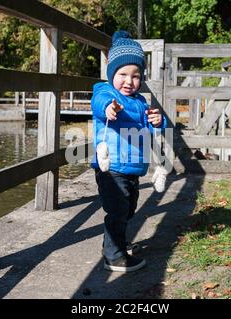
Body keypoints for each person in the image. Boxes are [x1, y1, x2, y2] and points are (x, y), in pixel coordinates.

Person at [91, 30, 167, 272]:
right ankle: (113, 256)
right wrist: (108, 108)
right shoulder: (106, 93)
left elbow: (149, 123)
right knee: (118, 208)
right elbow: (98, 103)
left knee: (129, 207)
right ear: (112, 74)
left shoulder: (141, 101)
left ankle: (116, 243)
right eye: (122, 74)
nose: (128, 81)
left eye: (135, 76)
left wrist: (158, 120)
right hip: (111, 166)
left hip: (133, 166)